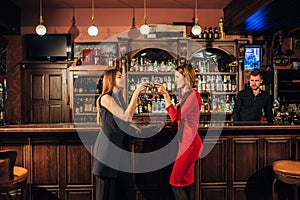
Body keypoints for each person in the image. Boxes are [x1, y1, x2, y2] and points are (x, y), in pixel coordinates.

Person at [92, 66, 149, 200]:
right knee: (106, 193)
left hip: (121, 149)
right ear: (111, 80)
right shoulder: (105, 98)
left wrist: (134, 126)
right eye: (119, 76)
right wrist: (136, 93)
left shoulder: (119, 99)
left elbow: (123, 121)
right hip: (108, 150)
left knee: (125, 191)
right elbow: (125, 117)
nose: (123, 78)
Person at [156, 63, 203, 200]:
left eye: (177, 77)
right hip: (187, 143)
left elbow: (176, 116)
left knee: (175, 182)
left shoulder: (193, 95)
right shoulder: (188, 95)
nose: (175, 80)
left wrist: (166, 95)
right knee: (186, 182)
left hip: (190, 144)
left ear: (186, 77)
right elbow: (179, 119)